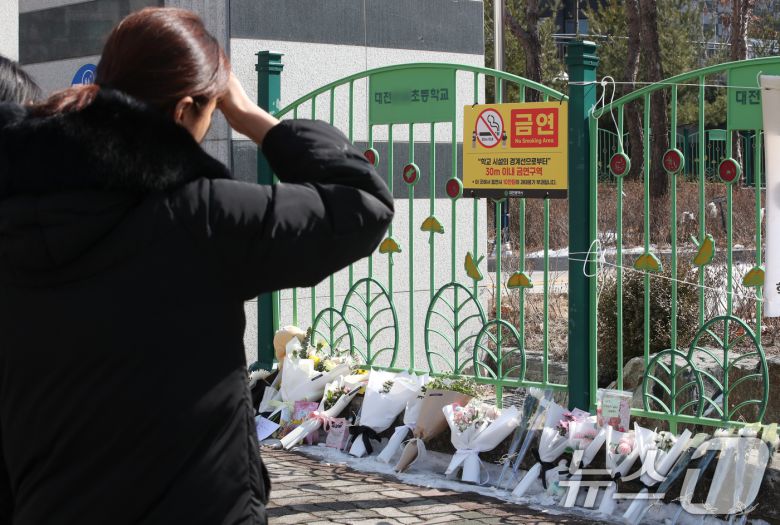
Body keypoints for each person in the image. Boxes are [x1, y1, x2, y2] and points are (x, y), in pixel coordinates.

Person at [0, 7, 393, 525]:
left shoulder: (18, 212)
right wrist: (251, 116)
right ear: (185, 109)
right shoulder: (202, 217)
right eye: (211, 110)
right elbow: (364, 205)